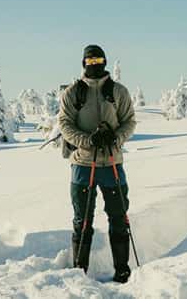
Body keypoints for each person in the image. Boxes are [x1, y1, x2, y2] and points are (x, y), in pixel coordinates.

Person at [58, 44, 137, 282]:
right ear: (84, 64)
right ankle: (79, 271)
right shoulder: (73, 93)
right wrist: (88, 140)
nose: (94, 65)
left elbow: (129, 122)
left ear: (105, 62)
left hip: (112, 162)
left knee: (119, 217)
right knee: (82, 221)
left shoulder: (118, 91)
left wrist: (115, 137)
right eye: (90, 62)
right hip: (83, 165)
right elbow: (64, 124)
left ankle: (122, 270)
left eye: (98, 61)